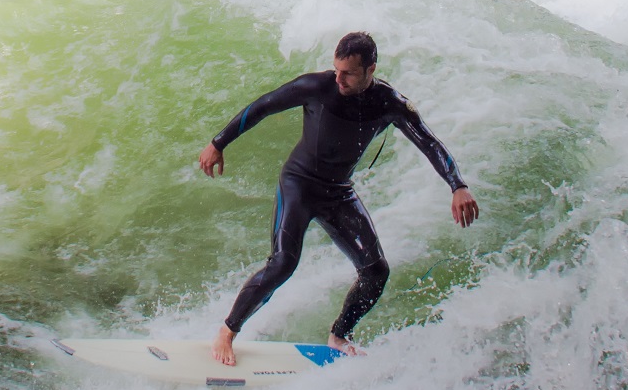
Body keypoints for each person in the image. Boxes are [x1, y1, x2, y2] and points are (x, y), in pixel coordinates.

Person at [198, 31, 479, 365]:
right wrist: (218, 142)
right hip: (299, 185)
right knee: (284, 262)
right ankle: (227, 332)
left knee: (376, 272)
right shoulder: (317, 87)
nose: (339, 78)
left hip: (338, 192)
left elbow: (429, 142)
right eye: (336, 70)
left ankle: (338, 336)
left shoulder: (390, 104)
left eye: (348, 73)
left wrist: (457, 185)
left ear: (370, 69)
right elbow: (262, 106)